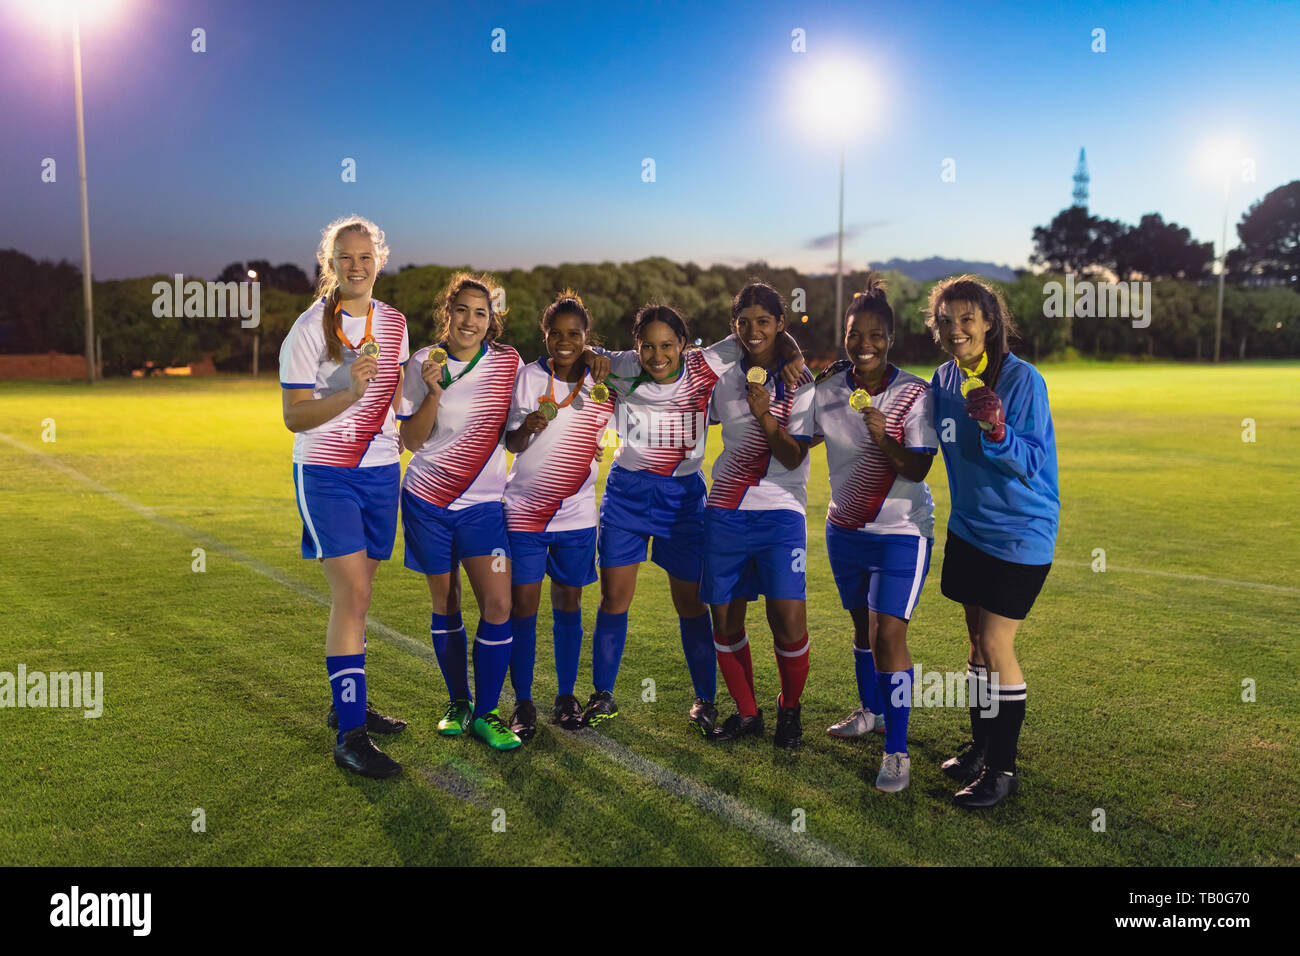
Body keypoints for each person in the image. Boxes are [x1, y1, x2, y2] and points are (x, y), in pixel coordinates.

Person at [577, 309, 803, 734]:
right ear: (636, 345)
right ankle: (603, 693)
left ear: (683, 343)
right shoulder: (624, 366)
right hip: (626, 494)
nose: (657, 355)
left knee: (691, 604)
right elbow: (588, 354)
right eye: (647, 345)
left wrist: (790, 348)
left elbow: (755, 339)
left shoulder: (706, 364)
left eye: (667, 345)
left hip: (682, 499)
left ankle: (704, 700)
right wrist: (590, 352)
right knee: (614, 600)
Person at [279, 214, 408, 779]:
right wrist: (350, 391)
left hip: (381, 472)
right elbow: (294, 416)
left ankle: (346, 703)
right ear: (329, 265)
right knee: (351, 595)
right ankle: (350, 739)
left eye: (364, 256)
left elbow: (399, 397)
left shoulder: (396, 323)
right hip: (327, 474)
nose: (355, 266)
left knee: (364, 590)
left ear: (379, 259)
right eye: (344, 258)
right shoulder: (309, 329)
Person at [927, 275, 1059, 808]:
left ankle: (1002, 771)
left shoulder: (1022, 381)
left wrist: (999, 431)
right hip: (969, 528)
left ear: (988, 322)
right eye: (947, 320)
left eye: (967, 319)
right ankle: (982, 747)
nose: (957, 330)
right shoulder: (941, 379)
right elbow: (918, 434)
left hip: (1020, 532)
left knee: (999, 643)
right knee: (977, 644)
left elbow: (1033, 463)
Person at [814, 276, 939, 791]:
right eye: (853, 335)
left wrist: (885, 437)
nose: (864, 344)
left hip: (901, 533)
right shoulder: (828, 389)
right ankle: (870, 711)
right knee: (861, 630)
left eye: (875, 335)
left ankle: (897, 751)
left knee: (889, 636)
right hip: (844, 528)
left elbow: (918, 469)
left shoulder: (915, 393)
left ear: (891, 338)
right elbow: (796, 437)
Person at [397, 272, 524, 751]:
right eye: (463, 310)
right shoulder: (422, 362)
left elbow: (521, 422)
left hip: (484, 506)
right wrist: (432, 391)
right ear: (446, 313)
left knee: (499, 603)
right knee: (445, 602)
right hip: (427, 501)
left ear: (492, 320)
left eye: (481, 313)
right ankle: (458, 703)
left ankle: (488, 713)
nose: (471, 321)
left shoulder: (507, 362)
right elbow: (411, 441)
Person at [702, 283, 816, 749]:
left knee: (788, 620)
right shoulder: (721, 371)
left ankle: (790, 710)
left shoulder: (800, 380)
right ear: (733, 326)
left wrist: (767, 418)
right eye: (743, 322)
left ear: (780, 324)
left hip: (781, 512)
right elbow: (668, 368)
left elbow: (793, 457)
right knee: (725, 621)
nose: (753, 331)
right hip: (724, 510)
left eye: (764, 322)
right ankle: (748, 714)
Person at [502, 291, 614, 738]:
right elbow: (510, 444)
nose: (565, 342)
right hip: (525, 513)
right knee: (522, 607)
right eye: (556, 334)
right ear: (544, 336)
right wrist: (525, 428)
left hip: (576, 516)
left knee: (569, 604)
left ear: (587, 337)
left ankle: (566, 696)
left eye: (575, 335)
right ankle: (523, 702)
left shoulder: (601, 383)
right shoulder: (527, 378)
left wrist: (598, 357)